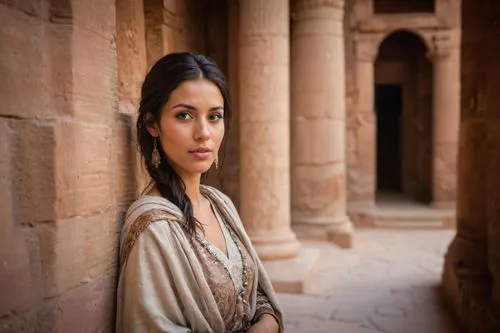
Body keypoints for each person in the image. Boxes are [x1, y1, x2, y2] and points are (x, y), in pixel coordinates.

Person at [115, 52, 283, 333]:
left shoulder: (220, 205)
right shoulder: (154, 227)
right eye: (184, 115)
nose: (204, 132)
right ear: (152, 124)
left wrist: (268, 321)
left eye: (214, 116)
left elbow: (253, 294)